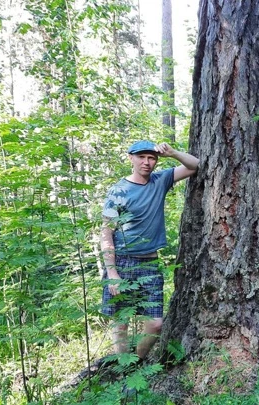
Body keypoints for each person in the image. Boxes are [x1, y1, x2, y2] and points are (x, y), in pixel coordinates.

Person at [100, 140, 199, 366]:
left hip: (150, 263)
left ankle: (137, 362)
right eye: (141, 157)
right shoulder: (118, 191)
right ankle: (124, 367)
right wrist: (112, 273)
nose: (147, 162)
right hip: (122, 263)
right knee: (121, 322)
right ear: (131, 158)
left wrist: (172, 153)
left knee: (155, 323)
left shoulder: (160, 180)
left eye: (151, 158)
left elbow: (195, 166)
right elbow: (106, 234)